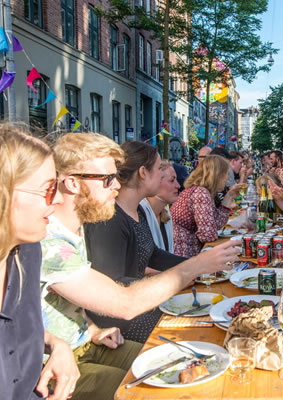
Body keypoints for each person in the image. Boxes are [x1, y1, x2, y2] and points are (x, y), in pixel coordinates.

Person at [41, 133, 239, 399]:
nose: (116, 185)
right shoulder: (51, 240)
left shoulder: (74, 229)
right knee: (163, 388)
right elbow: (121, 302)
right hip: (58, 363)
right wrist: (195, 266)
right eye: (108, 178)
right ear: (72, 183)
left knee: (194, 362)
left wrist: (91, 329)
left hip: (88, 341)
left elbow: (58, 305)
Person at [1, 124, 80, 400]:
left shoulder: (27, 252)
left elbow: (13, 331)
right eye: (48, 189)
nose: (58, 199)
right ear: (5, 193)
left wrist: (56, 343)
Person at [84, 141, 187, 343]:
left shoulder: (137, 210)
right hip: (121, 325)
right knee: (186, 336)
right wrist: (179, 276)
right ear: (142, 172)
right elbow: (112, 283)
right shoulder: (109, 219)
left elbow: (154, 254)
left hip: (140, 306)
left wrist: (195, 264)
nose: (161, 174)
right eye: (158, 169)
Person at [172, 155, 243, 258]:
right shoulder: (201, 193)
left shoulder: (204, 190)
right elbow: (208, 235)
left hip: (188, 248)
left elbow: (215, 225)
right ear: (216, 175)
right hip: (184, 252)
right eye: (226, 174)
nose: (228, 177)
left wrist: (228, 197)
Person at [140, 160, 180, 252]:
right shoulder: (140, 215)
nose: (178, 185)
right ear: (155, 182)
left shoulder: (166, 213)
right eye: (172, 180)